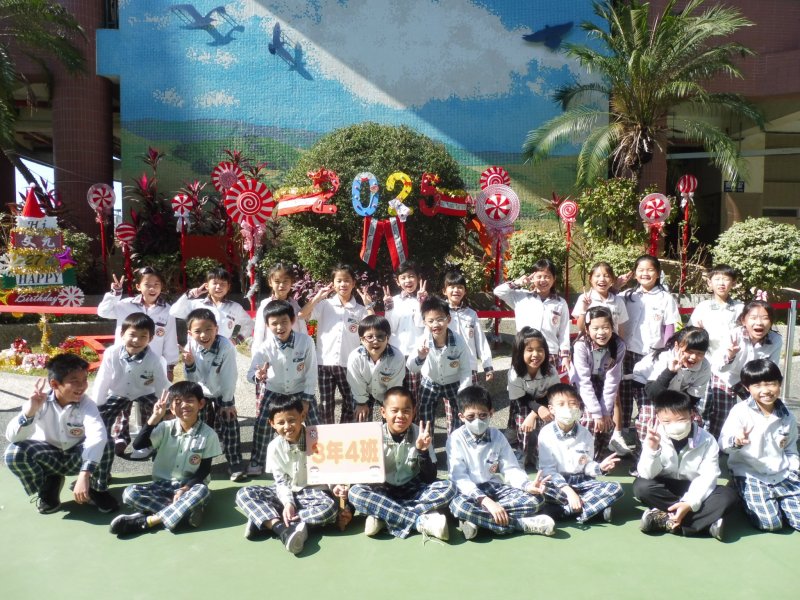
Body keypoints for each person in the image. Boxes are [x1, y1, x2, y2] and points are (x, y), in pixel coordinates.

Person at [4, 354, 117, 514]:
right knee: (14, 452)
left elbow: (97, 435)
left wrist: (84, 475)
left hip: (77, 457)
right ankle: (48, 485)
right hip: (49, 457)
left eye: (85, 379)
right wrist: (30, 411)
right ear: (55, 384)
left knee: (106, 441)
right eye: (74, 381)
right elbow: (13, 437)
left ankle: (97, 488)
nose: (82, 386)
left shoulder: (87, 404)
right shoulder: (39, 401)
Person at [108, 382, 222, 536]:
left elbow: (204, 469)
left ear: (201, 404)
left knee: (202, 491)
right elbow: (138, 444)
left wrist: (185, 488)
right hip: (161, 486)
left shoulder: (209, 434)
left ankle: (149, 520)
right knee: (130, 493)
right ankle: (188, 511)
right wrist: (155, 417)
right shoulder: (164, 427)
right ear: (172, 408)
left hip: (189, 488)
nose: (184, 405)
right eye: (178, 402)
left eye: (190, 400)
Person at [347, 387, 456, 540]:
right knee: (355, 492)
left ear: (414, 412)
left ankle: (384, 517)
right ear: (383, 412)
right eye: (394, 410)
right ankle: (419, 522)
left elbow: (430, 478)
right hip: (383, 490)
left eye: (406, 411)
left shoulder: (421, 434)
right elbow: (361, 476)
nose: (400, 416)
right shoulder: (372, 436)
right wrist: (349, 508)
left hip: (413, 489)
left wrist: (422, 452)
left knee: (449, 487)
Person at [447, 386, 555, 539]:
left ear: (491, 413)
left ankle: (478, 521)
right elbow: (459, 478)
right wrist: (486, 501)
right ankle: (520, 524)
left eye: (483, 415)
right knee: (458, 506)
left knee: (536, 500)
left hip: (493, 486)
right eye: (471, 416)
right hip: (468, 492)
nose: (477, 421)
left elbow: (511, 468)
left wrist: (527, 485)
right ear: (461, 417)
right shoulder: (455, 439)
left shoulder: (497, 435)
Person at [235, 397, 340, 554]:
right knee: (244, 493)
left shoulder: (318, 439)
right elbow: (281, 482)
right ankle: (282, 527)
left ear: (302, 417)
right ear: (272, 424)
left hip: (313, 493)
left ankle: (267, 521)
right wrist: (288, 504)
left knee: (330, 509)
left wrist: (335, 486)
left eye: (292, 420)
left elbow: (329, 469)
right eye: (281, 422)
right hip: (286, 491)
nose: (287, 427)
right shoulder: (274, 447)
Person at [634, 390, 738, 541]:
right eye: (667, 421)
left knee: (728, 496)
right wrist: (652, 449)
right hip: (665, 487)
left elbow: (708, 476)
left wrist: (689, 503)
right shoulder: (654, 437)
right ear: (658, 418)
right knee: (641, 487)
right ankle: (704, 524)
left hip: (694, 487)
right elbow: (647, 474)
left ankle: (664, 520)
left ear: (692, 414)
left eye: (681, 419)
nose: (675, 426)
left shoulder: (707, 440)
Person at [97, 266, 178, 457]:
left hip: (151, 364)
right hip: (123, 361)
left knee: (149, 401)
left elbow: (169, 338)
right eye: (147, 284)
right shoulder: (124, 305)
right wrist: (115, 293)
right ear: (138, 286)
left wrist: (170, 364)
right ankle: (120, 438)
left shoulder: (167, 310)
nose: (152, 288)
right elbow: (103, 311)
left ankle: (146, 441)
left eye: (157, 284)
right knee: (122, 399)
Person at [91, 312, 169, 494]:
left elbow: (161, 384)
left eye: (143, 336)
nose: (136, 340)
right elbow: (102, 379)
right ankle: (101, 471)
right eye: (132, 334)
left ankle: (156, 451)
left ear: (150, 339)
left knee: (161, 419)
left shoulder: (154, 359)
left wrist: (165, 406)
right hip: (118, 392)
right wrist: (98, 404)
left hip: (145, 392)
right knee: (100, 426)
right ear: (122, 334)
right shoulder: (112, 353)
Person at [720, 359, 800, 532]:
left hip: (782, 474)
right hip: (750, 474)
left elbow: (791, 449)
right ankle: (740, 491)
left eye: (771, 383)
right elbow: (724, 445)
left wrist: (793, 469)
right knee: (770, 523)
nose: (765, 390)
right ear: (747, 388)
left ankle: (778, 500)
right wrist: (736, 441)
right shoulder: (740, 412)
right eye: (757, 385)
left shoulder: (787, 416)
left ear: (779, 384)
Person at [246, 300, 318, 476]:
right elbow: (250, 374)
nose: (280, 327)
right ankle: (257, 461)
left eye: (284, 321)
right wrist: (258, 376)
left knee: (315, 425)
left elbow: (311, 372)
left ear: (292, 320)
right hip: (275, 390)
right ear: (267, 325)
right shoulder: (264, 347)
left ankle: (319, 458)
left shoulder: (306, 341)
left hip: (301, 390)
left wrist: (306, 400)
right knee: (262, 425)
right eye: (274, 323)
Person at [298, 263, 373, 424]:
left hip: (349, 364)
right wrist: (318, 297)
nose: (343, 284)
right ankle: (328, 436)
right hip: (324, 363)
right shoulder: (324, 305)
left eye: (347, 280)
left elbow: (374, 327)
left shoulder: (359, 310)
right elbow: (301, 315)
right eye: (339, 280)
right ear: (333, 283)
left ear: (353, 283)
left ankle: (344, 433)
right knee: (326, 405)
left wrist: (369, 305)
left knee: (350, 402)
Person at [538, 383, 623, 524]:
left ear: (579, 406)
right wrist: (569, 492)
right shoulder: (545, 434)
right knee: (541, 489)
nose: (568, 408)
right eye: (561, 404)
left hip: (582, 482)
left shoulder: (585, 434)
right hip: (557, 483)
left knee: (616, 488)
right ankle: (593, 510)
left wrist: (600, 467)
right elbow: (548, 470)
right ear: (551, 409)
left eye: (572, 404)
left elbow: (586, 465)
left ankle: (564, 511)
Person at [619, 255, 680, 450]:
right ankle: (623, 435)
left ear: (658, 273)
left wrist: (668, 352)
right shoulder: (627, 296)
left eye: (650, 270)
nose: (645, 273)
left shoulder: (666, 298)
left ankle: (645, 443)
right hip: (627, 354)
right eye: (641, 270)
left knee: (646, 399)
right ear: (634, 273)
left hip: (651, 356)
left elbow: (670, 326)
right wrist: (616, 286)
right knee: (623, 396)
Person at [181, 308, 244, 481]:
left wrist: (227, 402)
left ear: (217, 329)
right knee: (199, 427)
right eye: (198, 331)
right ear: (190, 333)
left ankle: (235, 462)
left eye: (209, 329)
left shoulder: (225, 346)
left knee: (229, 423)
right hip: (201, 392)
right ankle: (197, 463)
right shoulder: (190, 347)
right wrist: (190, 364)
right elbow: (192, 380)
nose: (204, 335)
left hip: (223, 390)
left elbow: (229, 376)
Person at [705, 299, 783, 438]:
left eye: (765, 318)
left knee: (763, 407)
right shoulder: (734, 336)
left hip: (753, 379)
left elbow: (770, 370)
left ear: (771, 322)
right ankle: (717, 444)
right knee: (723, 413)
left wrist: (765, 390)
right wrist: (730, 356)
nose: (759, 323)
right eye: (753, 318)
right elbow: (719, 368)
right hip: (726, 376)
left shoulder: (775, 339)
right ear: (743, 320)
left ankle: (759, 440)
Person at [632, 327, 711, 442]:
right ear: (677, 346)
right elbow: (653, 394)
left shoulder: (705, 366)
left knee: (690, 418)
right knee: (650, 416)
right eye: (689, 351)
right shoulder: (665, 358)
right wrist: (670, 371)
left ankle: (681, 446)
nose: (694, 357)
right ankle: (645, 446)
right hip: (647, 385)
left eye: (700, 353)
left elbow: (693, 397)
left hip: (677, 390)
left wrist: (677, 412)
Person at [407, 296, 472, 434]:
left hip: (453, 382)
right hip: (430, 381)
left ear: (448, 319)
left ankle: (455, 443)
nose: (436, 324)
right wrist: (421, 357)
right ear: (424, 322)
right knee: (424, 416)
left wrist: (463, 390)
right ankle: (427, 444)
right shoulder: (422, 341)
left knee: (459, 414)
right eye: (430, 321)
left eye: (440, 319)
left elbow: (466, 369)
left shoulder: (458, 341)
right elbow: (411, 367)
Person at [493, 258, 571, 370]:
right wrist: (516, 283)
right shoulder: (521, 297)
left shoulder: (560, 303)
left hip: (549, 353)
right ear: (532, 278)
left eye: (547, 276)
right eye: (539, 276)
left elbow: (564, 331)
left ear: (554, 279)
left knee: (549, 382)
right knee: (521, 380)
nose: (543, 280)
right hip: (524, 351)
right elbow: (498, 291)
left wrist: (565, 356)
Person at [569, 306, 626, 460]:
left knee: (607, 423)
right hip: (580, 387)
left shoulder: (619, 345)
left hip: (603, 384)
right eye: (595, 328)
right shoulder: (581, 345)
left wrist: (605, 412)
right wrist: (596, 413)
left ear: (612, 327)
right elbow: (583, 381)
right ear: (587, 329)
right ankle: (578, 458)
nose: (601, 332)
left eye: (606, 327)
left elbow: (612, 380)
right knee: (588, 420)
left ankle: (598, 460)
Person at [506, 327, 561, 466]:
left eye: (540, 350)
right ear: (520, 352)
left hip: (544, 400)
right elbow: (520, 399)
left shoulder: (550, 371)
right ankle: (522, 450)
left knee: (549, 416)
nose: (536, 354)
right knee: (522, 417)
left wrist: (535, 413)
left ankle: (539, 453)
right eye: (529, 350)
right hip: (521, 402)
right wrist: (536, 410)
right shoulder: (514, 374)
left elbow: (553, 394)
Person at [346, 315, 406, 422]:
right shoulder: (355, 358)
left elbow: (394, 386)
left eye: (380, 336)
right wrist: (361, 403)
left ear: (388, 338)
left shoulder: (397, 357)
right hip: (363, 390)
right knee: (360, 419)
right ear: (362, 339)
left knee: (391, 420)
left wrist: (389, 405)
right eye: (369, 337)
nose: (375, 341)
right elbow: (356, 383)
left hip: (386, 392)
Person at [171, 266, 253, 344]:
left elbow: (248, 324)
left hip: (224, 351)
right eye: (215, 283)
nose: (218, 287)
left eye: (223, 284)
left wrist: (236, 339)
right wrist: (189, 294)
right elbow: (174, 312)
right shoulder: (195, 305)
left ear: (228, 287)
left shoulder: (235, 307)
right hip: (198, 352)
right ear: (207, 286)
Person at [383, 260, 427, 400]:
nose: (408, 280)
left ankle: (413, 415)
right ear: (398, 281)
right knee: (394, 393)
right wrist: (389, 308)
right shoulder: (393, 300)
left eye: (411, 276)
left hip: (415, 353)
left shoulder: (424, 300)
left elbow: (421, 323)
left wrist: (421, 303)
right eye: (403, 278)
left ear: (418, 279)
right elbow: (390, 327)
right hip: (396, 353)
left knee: (414, 395)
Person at [442, 269, 493, 384]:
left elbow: (480, 340)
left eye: (460, 287)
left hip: (469, 367)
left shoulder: (471, 314)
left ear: (465, 291)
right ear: (444, 291)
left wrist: (487, 365)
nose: (456, 290)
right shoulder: (440, 312)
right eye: (452, 287)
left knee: (470, 395)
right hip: (446, 367)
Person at [253, 262, 306, 347]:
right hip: (271, 351)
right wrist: (258, 354)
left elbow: (302, 330)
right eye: (277, 281)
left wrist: (305, 349)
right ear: (270, 282)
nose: (281, 285)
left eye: (285, 281)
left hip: (294, 351)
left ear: (292, 282)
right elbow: (258, 334)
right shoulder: (265, 305)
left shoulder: (295, 305)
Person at [571, 261, 629, 336]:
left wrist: (621, 343)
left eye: (606, 276)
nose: (602, 279)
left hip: (612, 342)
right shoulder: (584, 298)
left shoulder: (618, 301)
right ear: (590, 278)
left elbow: (621, 329)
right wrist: (584, 310)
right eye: (597, 276)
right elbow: (580, 328)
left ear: (612, 279)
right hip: (589, 342)